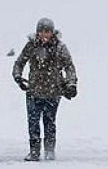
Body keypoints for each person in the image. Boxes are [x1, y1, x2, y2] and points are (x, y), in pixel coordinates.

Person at [13, 17, 77, 161]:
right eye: (41, 31)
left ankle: (49, 151)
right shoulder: (31, 46)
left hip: (53, 91)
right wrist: (18, 78)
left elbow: (69, 67)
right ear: (37, 33)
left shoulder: (60, 47)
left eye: (47, 31)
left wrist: (71, 84)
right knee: (33, 122)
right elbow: (19, 63)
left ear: (52, 32)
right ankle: (34, 151)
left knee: (49, 121)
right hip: (33, 90)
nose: (45, 35)